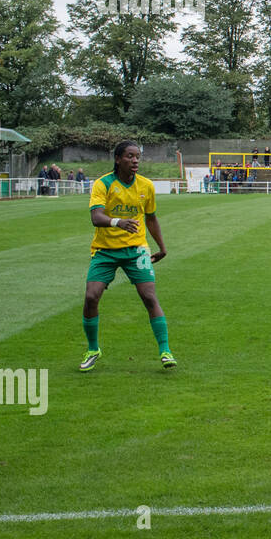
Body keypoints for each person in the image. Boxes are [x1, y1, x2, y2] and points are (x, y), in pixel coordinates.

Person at [79, 140, 174, 372]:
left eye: (138, 157)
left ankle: (165, 350)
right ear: (118, 159)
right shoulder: (104, 184)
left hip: (136, 249)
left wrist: (161, 247)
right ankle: (93, 349)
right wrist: (118, 222)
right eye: (130, 156)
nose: (135, 161)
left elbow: (151, 218)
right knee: (91, 297)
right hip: (105, 250)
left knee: (149, 296)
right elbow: (96, 217)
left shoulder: (146, 186)